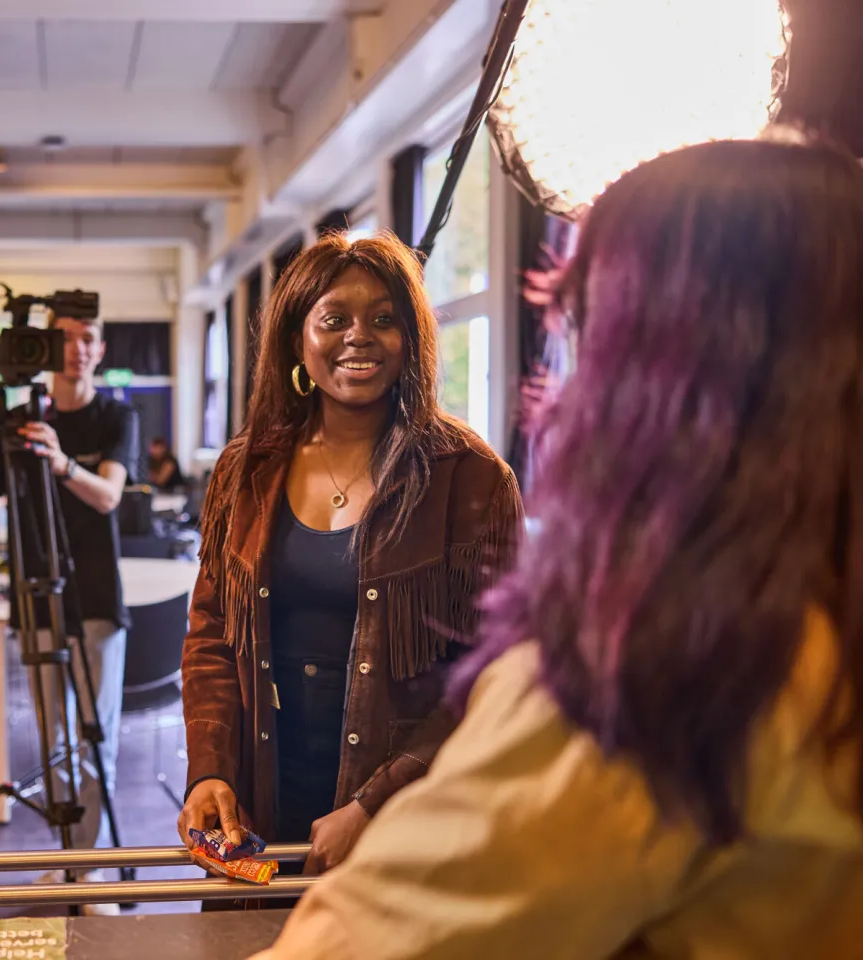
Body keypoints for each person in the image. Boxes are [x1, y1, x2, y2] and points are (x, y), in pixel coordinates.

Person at [254, 137, 863, 959]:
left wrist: (379, 801)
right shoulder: (818, 614)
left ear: (649, 367)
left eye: (581, 323)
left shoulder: (665, 674)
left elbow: (365, 940)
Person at [179, 233, 522, 875]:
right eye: (335, 318)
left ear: (410, 339)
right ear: (297, 339)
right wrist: (209, 772)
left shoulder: (470, 478)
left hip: (410, 813)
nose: (358, 336)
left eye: (384, 319)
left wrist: (372, 806)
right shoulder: (246, 470)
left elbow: (495, 672)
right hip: (261, 799)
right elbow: (212, 637)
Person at [0, 310, 139, 875]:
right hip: (37, 598)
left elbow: (108, 496)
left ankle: (92, 868)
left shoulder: (115, 415)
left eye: (88, 339)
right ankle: (71, 858)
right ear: (48, 349)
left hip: (96, 597)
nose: (77, 349)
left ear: (100, 350)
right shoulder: (20, 423)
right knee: (55, 740)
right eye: (66, 339)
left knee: (91, 741)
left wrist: (60, 463)